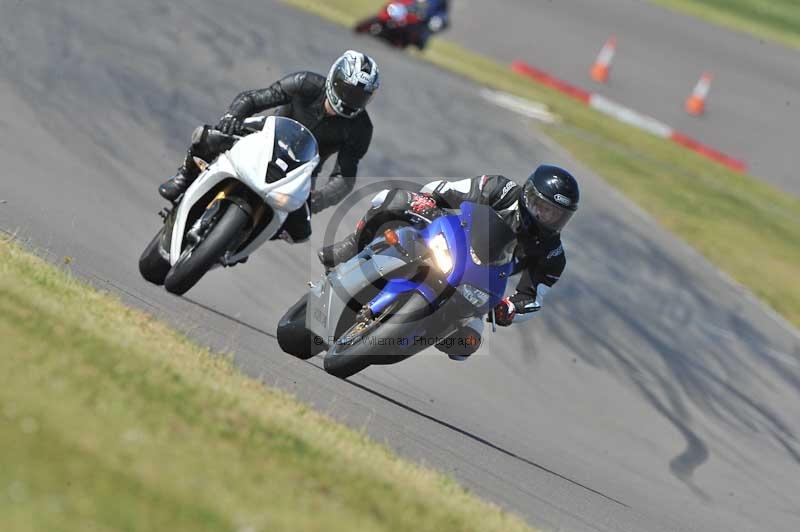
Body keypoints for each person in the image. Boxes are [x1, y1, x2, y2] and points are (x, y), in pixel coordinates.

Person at [318, 165, 579, 359]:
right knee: (393, 199)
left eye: (556, 214)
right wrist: (428, 201)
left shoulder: (552, 254)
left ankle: (414, 336)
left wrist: (510, 308)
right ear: (529, 195)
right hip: (448, 245)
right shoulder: (501, 189)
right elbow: (447, 190)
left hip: (477, 284)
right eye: (542, 207)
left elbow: (533, 298)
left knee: (467, 344)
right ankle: (353, 245)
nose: (546, 216)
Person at [158, 50, 380, 243]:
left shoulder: (361, 128)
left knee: (299, 231)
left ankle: (243, 239)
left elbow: (344, 177)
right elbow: (255, 98)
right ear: (335, 79)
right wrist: (233, 115)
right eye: (348, 91)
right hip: (264, 135)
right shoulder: (305, 82)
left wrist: (319, 198)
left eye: (360, 96)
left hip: (302, 171)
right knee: (208, 136)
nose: (351, 100)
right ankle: (183, 179)